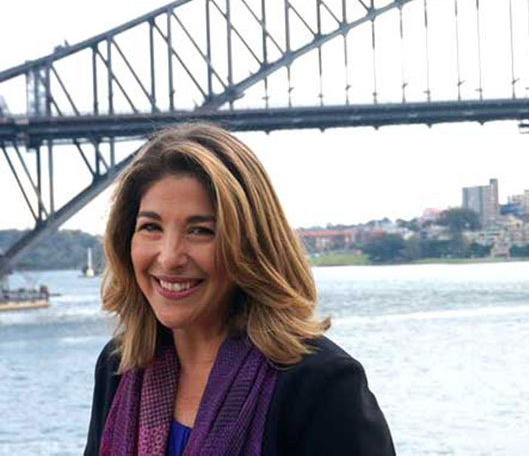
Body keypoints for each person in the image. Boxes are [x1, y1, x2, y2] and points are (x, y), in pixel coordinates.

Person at [84, 124, 395, 456]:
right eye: (151, 227)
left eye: (201, 231)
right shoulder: (121, 366)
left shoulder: (321, 385)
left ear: (250, 245)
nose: (170, 256)